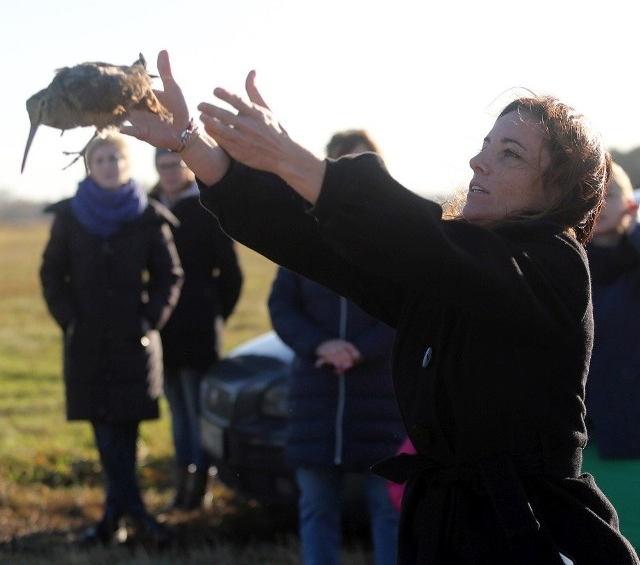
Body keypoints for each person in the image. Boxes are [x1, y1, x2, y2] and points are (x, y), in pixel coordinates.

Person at [122, 50, 640, 564]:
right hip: (444, 530)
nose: (478, 160)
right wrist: (193, 144)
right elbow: (319, 244)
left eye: (510, 153)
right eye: (486, 146)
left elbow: (421, 240)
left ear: (559, 190)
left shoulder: (555, 267)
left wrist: (289, 157)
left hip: (535, 535)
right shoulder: (452, 270)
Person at [40, 133, 183, 546]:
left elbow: (169, 275)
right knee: (105, 432)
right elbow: (52, 274)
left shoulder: (149, 217)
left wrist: (149, 319)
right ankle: (137, 518)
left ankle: (112, 522)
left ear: (126, 164)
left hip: (132, 344)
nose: (107, 166)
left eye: (114, 159)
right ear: (90, 166)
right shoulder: (70, 217)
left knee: (125, 432)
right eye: (99, 159)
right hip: (86, 343)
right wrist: (69, 320)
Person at [268, 130, 403, 565]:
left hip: (381, 397)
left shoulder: (400, 239)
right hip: (316, 395)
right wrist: (321, 345)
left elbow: (406, 312)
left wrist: (360, 351)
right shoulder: (300, 237)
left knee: (389, 509)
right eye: (346, 165)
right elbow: (282, 305)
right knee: (316, 507)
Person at [149, 147, 243, 511]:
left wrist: (214, 312)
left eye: (174, 164)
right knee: (176, 408)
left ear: (187, 168)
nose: (169, 171)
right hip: (162, 328)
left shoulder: (206, 207)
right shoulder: (152, 206)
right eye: (162, 165)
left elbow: (231, 274)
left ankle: (197, 490)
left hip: (199, 327)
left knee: (195, 412)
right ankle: (181, 486)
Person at [585, 162, 640, 459]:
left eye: (612, 194)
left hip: (631, 433)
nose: (601, 202)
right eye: (594, 193)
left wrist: (634, 231)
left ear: (630, 205)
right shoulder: (564, 263)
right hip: (583, 435)